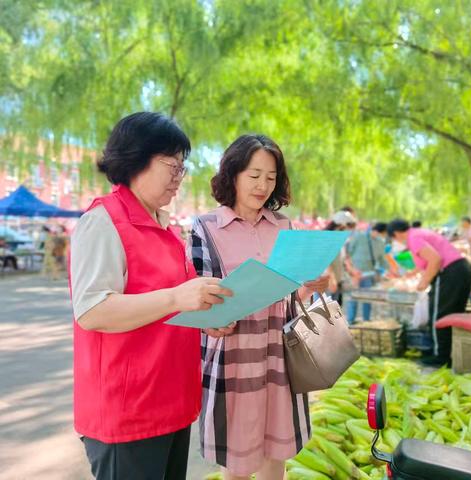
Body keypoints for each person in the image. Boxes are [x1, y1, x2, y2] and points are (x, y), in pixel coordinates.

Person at [69, 112, 234, 480]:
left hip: (171, 402)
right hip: (129, 411)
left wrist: (207, 320)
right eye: (171, 166)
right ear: (136, 160)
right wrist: (177, 298)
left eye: (182, 168)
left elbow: (177, 303)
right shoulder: (103, 222)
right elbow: (93, 310)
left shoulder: (165, 226)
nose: (179, 179)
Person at [187, 134, 329, 480]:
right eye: (254, 175)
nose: (263, 185)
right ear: (233, 174)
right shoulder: (205, 228)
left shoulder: (284, 226)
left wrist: (309, 286)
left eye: (271, 177)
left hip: (279, 357)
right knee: (237, 466)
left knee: (274, 460)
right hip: (232, 358)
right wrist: (208, 319)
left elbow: (292, 298)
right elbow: (197, 297)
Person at [387, 219, 471, 366]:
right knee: (451, 314)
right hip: (460, 270)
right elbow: (428, 261)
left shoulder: (413, 238)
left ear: (395, 234)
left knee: (439, 314)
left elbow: (435, 260)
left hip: (450, 273)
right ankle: (445, 352)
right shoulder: (418, 233)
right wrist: (413, 274)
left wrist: (424, 282)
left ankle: (440, 356)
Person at [345, 222, 389, 324]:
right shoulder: (359, 236)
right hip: (355, 274)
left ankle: (366, 320)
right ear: (381, 232)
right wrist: (351, 269)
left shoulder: (380, 242)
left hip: (369, 274)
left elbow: (382, 259)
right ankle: (350, 321)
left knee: (368, 298)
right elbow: (348, 253)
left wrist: (391, 270)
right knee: (353, 297)